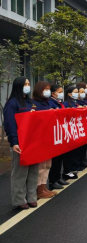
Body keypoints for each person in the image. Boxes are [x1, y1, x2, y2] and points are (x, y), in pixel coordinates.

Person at [3, 77, 40, 209]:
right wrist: (14, 142)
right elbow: (10, 124)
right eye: (25, 84)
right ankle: (19, 199)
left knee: (33, 171)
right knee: (20, 172)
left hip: (33, 142)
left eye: (29, 84)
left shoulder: (30, 102)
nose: (28, 86)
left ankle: (31, 197)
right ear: (19, 86)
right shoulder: (12, 104)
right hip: (21, 142)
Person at [31, 81, 57, 200]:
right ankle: (39, 189)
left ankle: (44, 186)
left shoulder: (47, 103)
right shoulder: (34, 104)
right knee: (41, 166)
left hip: (48, 136)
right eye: (45, 89)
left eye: (48, 89)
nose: (47, 91)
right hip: (39, 138)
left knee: (47, 164)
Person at [47, 84, 73, 190]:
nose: (61, 93)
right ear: (53, 93)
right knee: (56, 158)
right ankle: (53, 180)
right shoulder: (50, 103)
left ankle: (58, 177)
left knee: (61, 156)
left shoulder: (59, 103)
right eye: (59, 91)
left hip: (62, 132)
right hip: (55, 133)